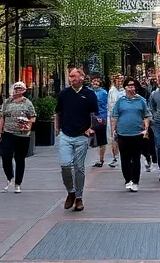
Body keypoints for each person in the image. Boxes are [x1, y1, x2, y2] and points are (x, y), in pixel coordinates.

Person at [55, 67, 99, 212]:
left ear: (82, 77)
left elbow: (94, 114)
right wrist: (57, 129)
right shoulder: (64, 93)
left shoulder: (89, 94)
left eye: (74, 76)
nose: (72, 79)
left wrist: (90, 128)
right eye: (70, 76)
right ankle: (71, 191)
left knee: (79, 167)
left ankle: (79, 197)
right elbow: (58, 112)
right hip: (66, 135)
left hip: (81, 136)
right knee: (65, 164)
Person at [112, 77, 151, 192]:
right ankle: (127, 179)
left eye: (133, 86)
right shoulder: (120, 101)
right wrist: (113, 131)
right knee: (124, 158)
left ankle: (135, 181)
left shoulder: (141, 101)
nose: (131, 88)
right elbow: (114, 116)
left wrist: (146, 128)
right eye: (128, 86)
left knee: (135, 158)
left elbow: (147, 115)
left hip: (137, 134)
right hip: (123, 134)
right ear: (124, 88)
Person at [0, 81, 36, 192]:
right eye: (16, 88)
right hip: (8, 133)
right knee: (6, 157)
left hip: (22, 135)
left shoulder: (27, 103)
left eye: (20, 88)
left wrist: (28, 126)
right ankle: (10, 178)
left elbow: (32, 117)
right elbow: (2, 117)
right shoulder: (7, 102)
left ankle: (18, 183)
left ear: (24, 91)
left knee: (20, 159)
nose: (17, 90)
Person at [90, 74, 110, 168]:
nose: (96, 83)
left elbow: (106, 105)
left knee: (101, 140)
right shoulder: (88, 92)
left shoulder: (103, 93)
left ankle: (101, 159)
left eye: (97, 81)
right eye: (94, 81)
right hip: (89, 118)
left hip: (100, 118)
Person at [107, 74, 127, 168]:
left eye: (121, 80)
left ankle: (123, 156)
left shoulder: (123, 90)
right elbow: (112, 105)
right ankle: (115, 157)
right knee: (114, 136)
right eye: (118, 80)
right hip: (114, 116)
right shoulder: (112, 91)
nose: (120, 82)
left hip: (124, 116)